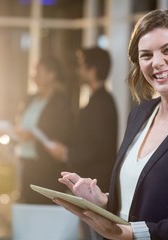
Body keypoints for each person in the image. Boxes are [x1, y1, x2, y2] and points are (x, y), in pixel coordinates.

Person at [53, 9, 168, 240]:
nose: (157, 63)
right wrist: (102, 201)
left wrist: (123, 234)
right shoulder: (139, 115)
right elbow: (132, 204)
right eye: (146, 55)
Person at [47, 47, 118, 239]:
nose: (78, 71)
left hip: (96, 185)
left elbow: (99, 147)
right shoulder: (100, 100)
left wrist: (67, 154)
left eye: (80, 66)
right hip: (93, 183)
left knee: (93, 234)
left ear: (92, 70)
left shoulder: (101, 102)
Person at [15, 55, 73, 205]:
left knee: (43, 207)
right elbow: (21, 122)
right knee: (26, 204)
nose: (33, 75)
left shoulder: (61, 102)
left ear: (51, 75)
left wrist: (34, 137)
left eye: (38, 71)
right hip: (26, 162)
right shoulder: (30, 99)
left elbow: (63, 133)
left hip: (46, 166)